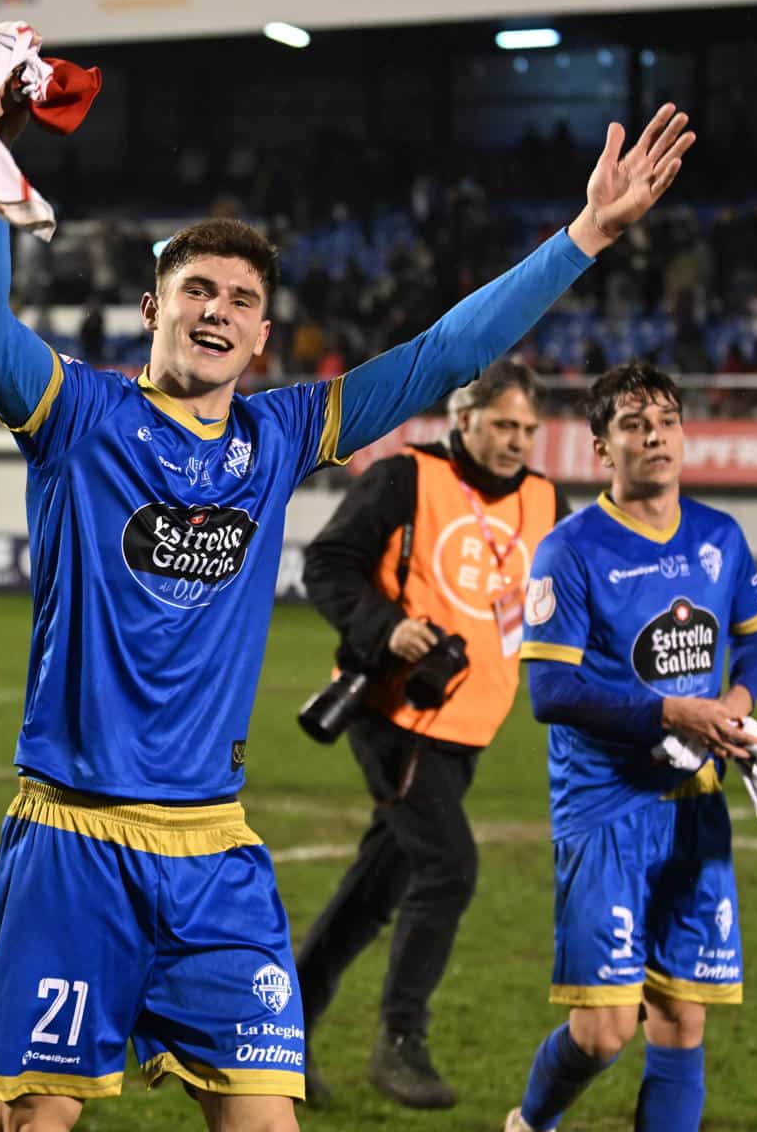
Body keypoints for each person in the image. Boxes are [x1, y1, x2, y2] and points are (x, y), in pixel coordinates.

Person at [0, 89, 693, 1131]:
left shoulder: (282, 435)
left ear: (262, 330)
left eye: (241, 297)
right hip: (78, 834)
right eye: (196, 289)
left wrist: (584, 236)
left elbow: (442, 356)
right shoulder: (79, 414)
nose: (217, 309)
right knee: (39, 1119)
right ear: (155, 307)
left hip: (215, 847)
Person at [506, 363, 757, 1132]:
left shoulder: (721, 536)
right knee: (604, 1032)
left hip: (694, 808)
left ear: (684, 436)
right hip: (605, 808)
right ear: (601, 449)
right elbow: (550, 695)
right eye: (632, 424)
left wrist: (733, 704)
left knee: (683, 1021)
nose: (653, 435)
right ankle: (529, 1124)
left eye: (665, 421)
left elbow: (756, 649)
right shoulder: (571, 550)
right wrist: (670, 711)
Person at [293, 359, 567, 1111]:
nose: (515, 442)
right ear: (464, 418)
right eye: (502, 425)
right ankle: (401, 1041)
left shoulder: (547, 501)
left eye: (527, 430)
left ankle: (278, 1032)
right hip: (397, 714)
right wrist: (389, 628)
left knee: (376, 888)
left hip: (471, 721)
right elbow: (326, 565)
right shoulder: (405, 478)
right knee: (449, 868)